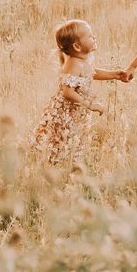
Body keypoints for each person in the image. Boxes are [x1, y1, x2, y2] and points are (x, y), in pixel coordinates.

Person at [29, 18, 131, 163]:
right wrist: (90, 105)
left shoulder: (85, 59)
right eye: (89, 36)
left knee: (74, 139)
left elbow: (91, 72)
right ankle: (54, 164)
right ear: (77, 46)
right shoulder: (74, 63)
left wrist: (114, 74)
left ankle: (71, 163)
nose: (94, 37)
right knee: (61, 139)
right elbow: (67, 92)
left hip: (76, 111)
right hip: (65, 113)